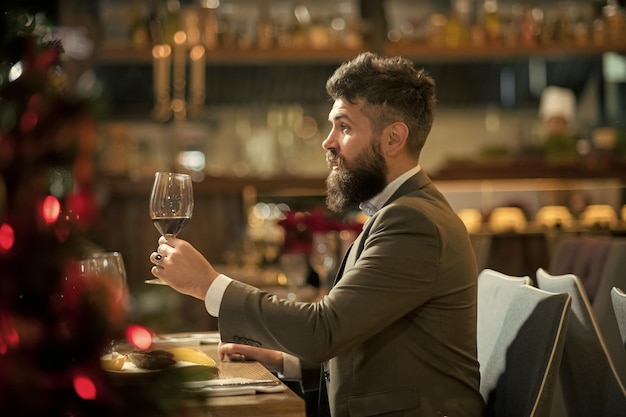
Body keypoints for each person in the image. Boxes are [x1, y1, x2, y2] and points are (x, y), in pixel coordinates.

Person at [150, 52, 484, 417]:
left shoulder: (413, 222)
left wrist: (209, 285)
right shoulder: (402, 211)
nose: (328, 142)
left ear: (393, 139)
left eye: (344, 127)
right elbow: (364, 336)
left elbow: (325, 330)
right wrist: (288, 362)